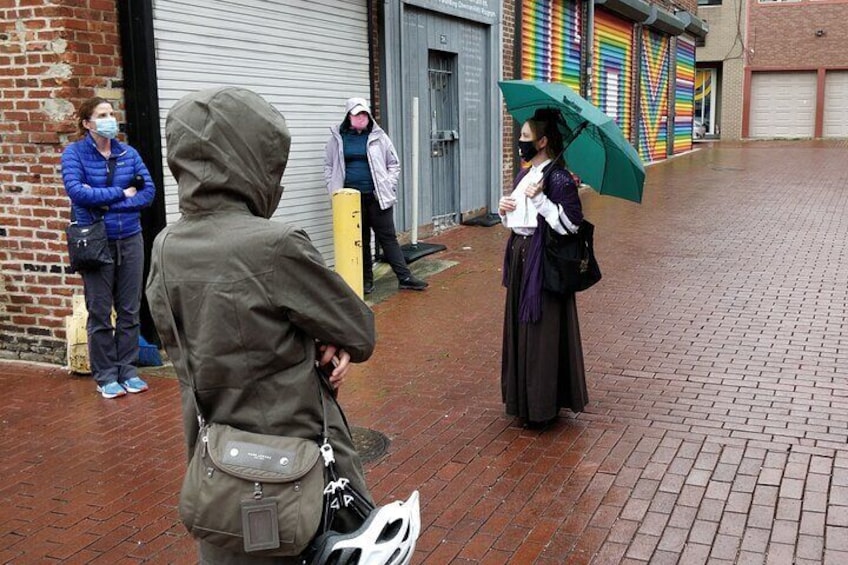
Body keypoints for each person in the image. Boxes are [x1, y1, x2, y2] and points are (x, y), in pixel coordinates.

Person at [145, 87, 400, 564]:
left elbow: (185, 345)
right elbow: (358, 330)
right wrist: (322, 337)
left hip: (218, 467)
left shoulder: (164, 246)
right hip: (295, 466)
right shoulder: (274, 244)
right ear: (253, 162)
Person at [61, 96, 156, 399]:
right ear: (87, 123)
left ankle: (127, 369)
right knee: (100, 311)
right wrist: (121, 192)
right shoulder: (74, 153)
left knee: (129, 309)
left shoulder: (129, 153)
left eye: (111, 113)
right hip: (95, 241)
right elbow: (76, 192)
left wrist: (102, 198)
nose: (110, 118)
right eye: (102, 114)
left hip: (130, 237)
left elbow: (148, 193)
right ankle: (105, 376)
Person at [498, 110, 588, 428]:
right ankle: (523, 400)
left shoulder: (559, 178)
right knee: (521, 330)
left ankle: (543, 404)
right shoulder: (525, 176)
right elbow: (516, 221)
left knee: (543, 333)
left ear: (543, 141)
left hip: (544, 265)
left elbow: (571, 225)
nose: (520, 142)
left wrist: (542, 202)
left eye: (525, 137)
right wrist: (503, 210)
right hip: (521, 257)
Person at [324, 97, 428, 294]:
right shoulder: (338, 137)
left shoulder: (379, 136)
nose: (361, 117)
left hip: (377, 196)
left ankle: (405, 277)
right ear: (349, 116)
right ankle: (366, 281)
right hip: (350, 200)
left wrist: (388, 184)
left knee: (387, 237)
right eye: (356, 114)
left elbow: (393, 164)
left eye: (364, 113)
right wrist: (333, 188)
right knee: (360, 239)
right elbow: (329, 165)